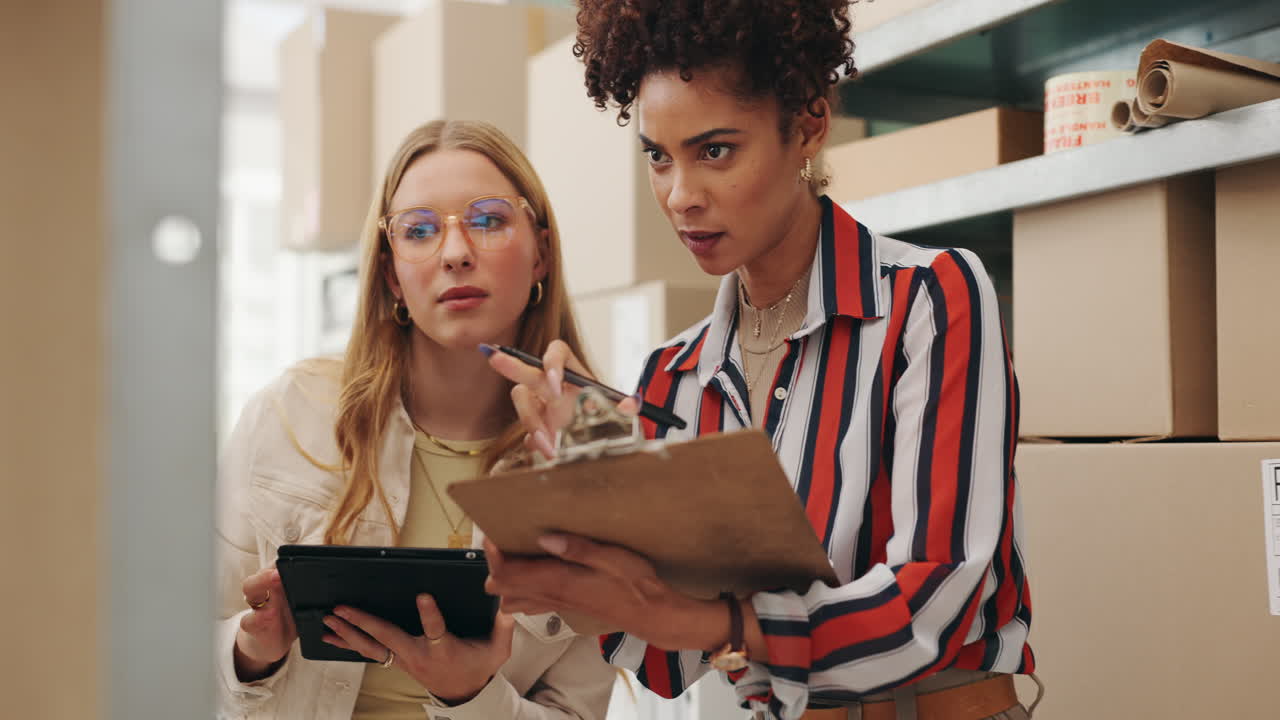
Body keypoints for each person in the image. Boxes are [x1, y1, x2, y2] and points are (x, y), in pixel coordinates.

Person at [484, 3, 1040, 720]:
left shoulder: (928, 300)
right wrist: (592, 496)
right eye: (659, 155)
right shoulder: (672, 375)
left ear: (808, 126)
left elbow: (932, 603)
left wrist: (717, 623)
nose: (680, 196)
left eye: (715, 150)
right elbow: (665, 663)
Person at [216, 119, 616, 720]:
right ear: (390, 275)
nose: (456, 253)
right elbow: (172, 647)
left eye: (488, 220)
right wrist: (250, 652)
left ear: (542, 253)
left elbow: (579, 711)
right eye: (420, 231)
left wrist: (473, 697)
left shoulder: (594, 451)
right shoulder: (289, 415)